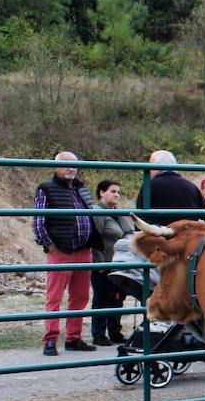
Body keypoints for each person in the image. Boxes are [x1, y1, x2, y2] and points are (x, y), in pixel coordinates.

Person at [33, 151, 95, 356]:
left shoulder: (81, 189)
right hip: (61, 252)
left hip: (84, 251)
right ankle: (50, 340)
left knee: (81, 297)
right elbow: (38, 222)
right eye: (67, 165)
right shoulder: (46, 189)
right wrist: (51, 247)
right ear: (56, 167)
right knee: (54, 298)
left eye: (74, 165)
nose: (71, 169)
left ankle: (73, 338)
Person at [89, 180, 134, 347]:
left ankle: (115, 332)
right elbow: (94, 238)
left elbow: (130, 233)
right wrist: (98, 263)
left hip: (121, 264)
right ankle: (98, 334)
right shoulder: (97, 212)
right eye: (113, 191)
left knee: (117, 298)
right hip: (104, 264)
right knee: (101, 299)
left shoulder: (120, 213)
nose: (116, 195)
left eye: (118, 192)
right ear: (101, 192)